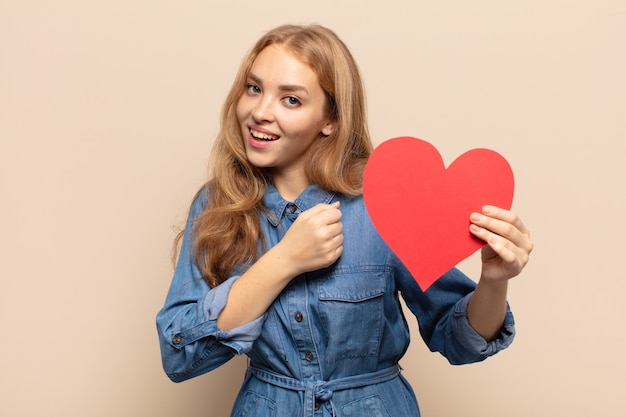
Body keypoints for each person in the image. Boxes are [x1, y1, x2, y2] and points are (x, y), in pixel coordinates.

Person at [156, 24, 533, 417]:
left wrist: (494, 280)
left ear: (330, 119)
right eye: (254, 88)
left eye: (290, 100)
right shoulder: (218, 204)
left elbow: (460, 340)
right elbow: (180, 354)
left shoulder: (382, 204)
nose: (260, 112)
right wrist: (284, 261)